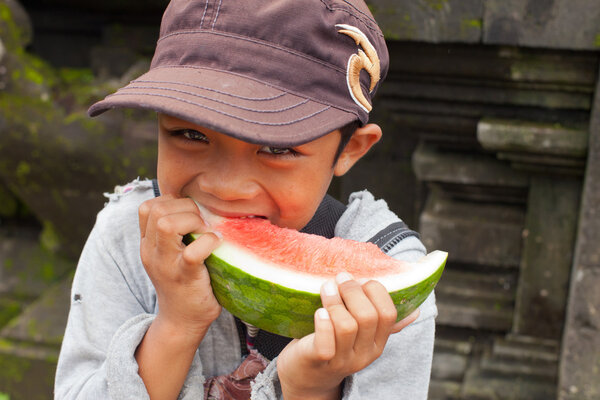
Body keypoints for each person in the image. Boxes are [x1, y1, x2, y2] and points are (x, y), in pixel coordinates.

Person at [54, 0, 437, 399]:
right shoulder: (125, 235)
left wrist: (309, 387)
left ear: (350, 150)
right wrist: (177, 325)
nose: (226, 187)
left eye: (276, 148)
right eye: (191, 135)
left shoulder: (386, 289)